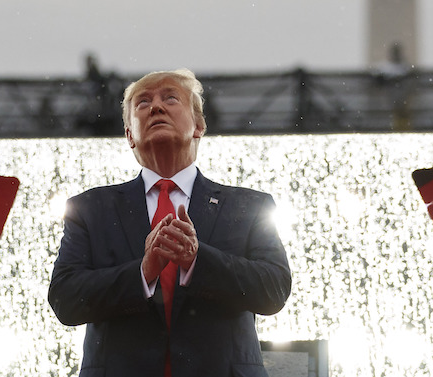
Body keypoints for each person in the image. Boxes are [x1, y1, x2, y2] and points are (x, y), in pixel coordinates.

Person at [48, 68, 292, 377]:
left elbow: (274, 290)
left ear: (199, 126)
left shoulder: (249, 206)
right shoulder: (89, 209)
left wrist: (196, 260)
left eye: (171, 98)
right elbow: (65, 299)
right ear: (129, 135)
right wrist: (143, 272)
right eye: (143, 102)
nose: (157, 107)